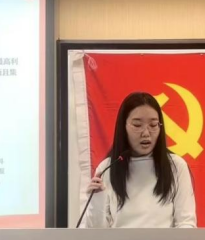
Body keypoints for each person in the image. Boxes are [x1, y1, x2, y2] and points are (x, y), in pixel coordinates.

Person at [83, 92, 196, 228]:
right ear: (123, 127)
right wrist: (97, 201)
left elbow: (186, 223)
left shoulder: (176, 166)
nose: (146, 133)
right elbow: (96, 234)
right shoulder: (107, 167)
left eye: (153, 125)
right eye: (137, 125)